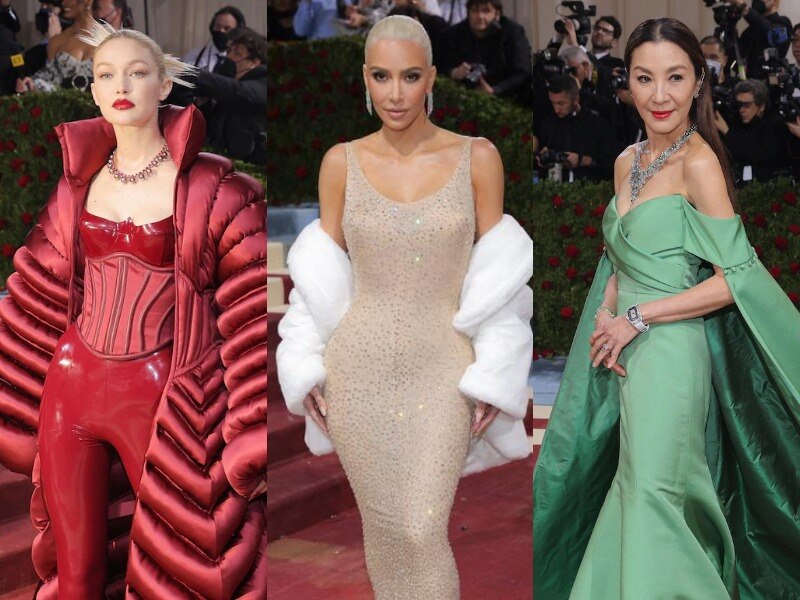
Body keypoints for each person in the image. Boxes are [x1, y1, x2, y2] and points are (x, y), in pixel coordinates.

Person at [534, 17, 800, 600]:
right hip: (628, 353)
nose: (660, 95)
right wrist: (609, 309)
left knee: (655, 489)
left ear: (699, 83)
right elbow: (621, 251)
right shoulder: (629, 161)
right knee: (635, 482)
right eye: (644, 78)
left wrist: (638, 318)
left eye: (675, 77)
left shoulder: (699, 163)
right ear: (625, 82)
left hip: (672, 353)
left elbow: (737, 279)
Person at [0, 20, 267, 598]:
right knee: (76, 575)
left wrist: (240, 412)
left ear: (164, 86)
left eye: (138, 72)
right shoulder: (76, 183)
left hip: (157, 396)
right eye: (105, 73)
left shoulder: (213, 187)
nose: (121, 84)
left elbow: (245, 308)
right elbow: (38, 289)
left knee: (173, 569)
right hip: (69, 387)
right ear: (92, 91)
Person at [277, 15, 532, 599]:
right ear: (365, 80)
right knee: (388, 531)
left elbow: (500, 279)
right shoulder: (341, 162)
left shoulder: (478, 157)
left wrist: (495, 373)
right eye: (383, 77)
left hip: (443, 367)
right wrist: (306, 364)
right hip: (357, 369)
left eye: (410, 76)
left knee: (421, 529)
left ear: (432, 78)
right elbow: (320, 275)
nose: (396, 93)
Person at [194, 27, 267, 163]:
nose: (229, 57)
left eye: (237, 54)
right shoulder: (227, 88)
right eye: (229, 52)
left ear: (255, 62)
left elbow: (238, 91)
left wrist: (193, 75)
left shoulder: (262, 81)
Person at [435, 0, 531, 101]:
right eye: (475, 11)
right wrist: (453, 72)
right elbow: (438, 68)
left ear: (496, 14)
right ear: (468, 13)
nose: (480, 16)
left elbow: (523, 72)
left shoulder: (512, 32)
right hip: (464, 98)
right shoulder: (452, 35)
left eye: (486, 11)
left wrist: (494, 90)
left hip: (508, 98)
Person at [536, 74, 616, 181]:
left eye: (561, 103)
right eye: (553, 103)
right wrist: (542, 159)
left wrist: (585, 161)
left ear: (576, 99)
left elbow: (612, 166)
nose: (556, 109)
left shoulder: (597, 125)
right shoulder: (549, 125)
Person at [714, 78, 790, 181]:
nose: (742, 110)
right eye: (739, 104)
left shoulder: (774, 123)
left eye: (747, 105)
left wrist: (727, 132)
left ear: (761, 106)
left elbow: (758, 152)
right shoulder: (737, 119)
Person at [16, 0, 96, 93]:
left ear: (87, 1)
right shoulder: (57, 41)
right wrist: (32, 85)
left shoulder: (109, 38)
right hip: (65, 105)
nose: (64, 2)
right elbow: (51, 82)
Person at [724, 0, 792, 77]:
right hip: (749, 84)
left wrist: (742, 6)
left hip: (771, 83)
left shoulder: (783, 22)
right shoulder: (748, 32)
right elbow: (734, 59)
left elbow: (772, 34)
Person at [183, 5, 245, 73]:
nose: (221, 31)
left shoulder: (242, 62)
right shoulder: (192, 57)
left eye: (227, 28)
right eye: (217, 26)